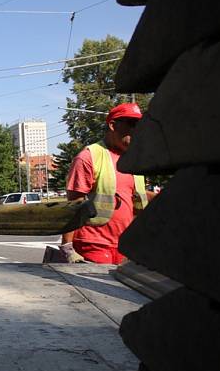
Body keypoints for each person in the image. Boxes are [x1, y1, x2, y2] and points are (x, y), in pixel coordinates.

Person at [60, 103, 155, 264]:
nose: (136, 131)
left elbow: (133, 195)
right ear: (113, 125)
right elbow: (73, 204)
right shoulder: (89, 156)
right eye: (131, 124)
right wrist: (67, 247)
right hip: (93, 244)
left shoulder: (133, 160)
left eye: (140, 125)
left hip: (125, 244)